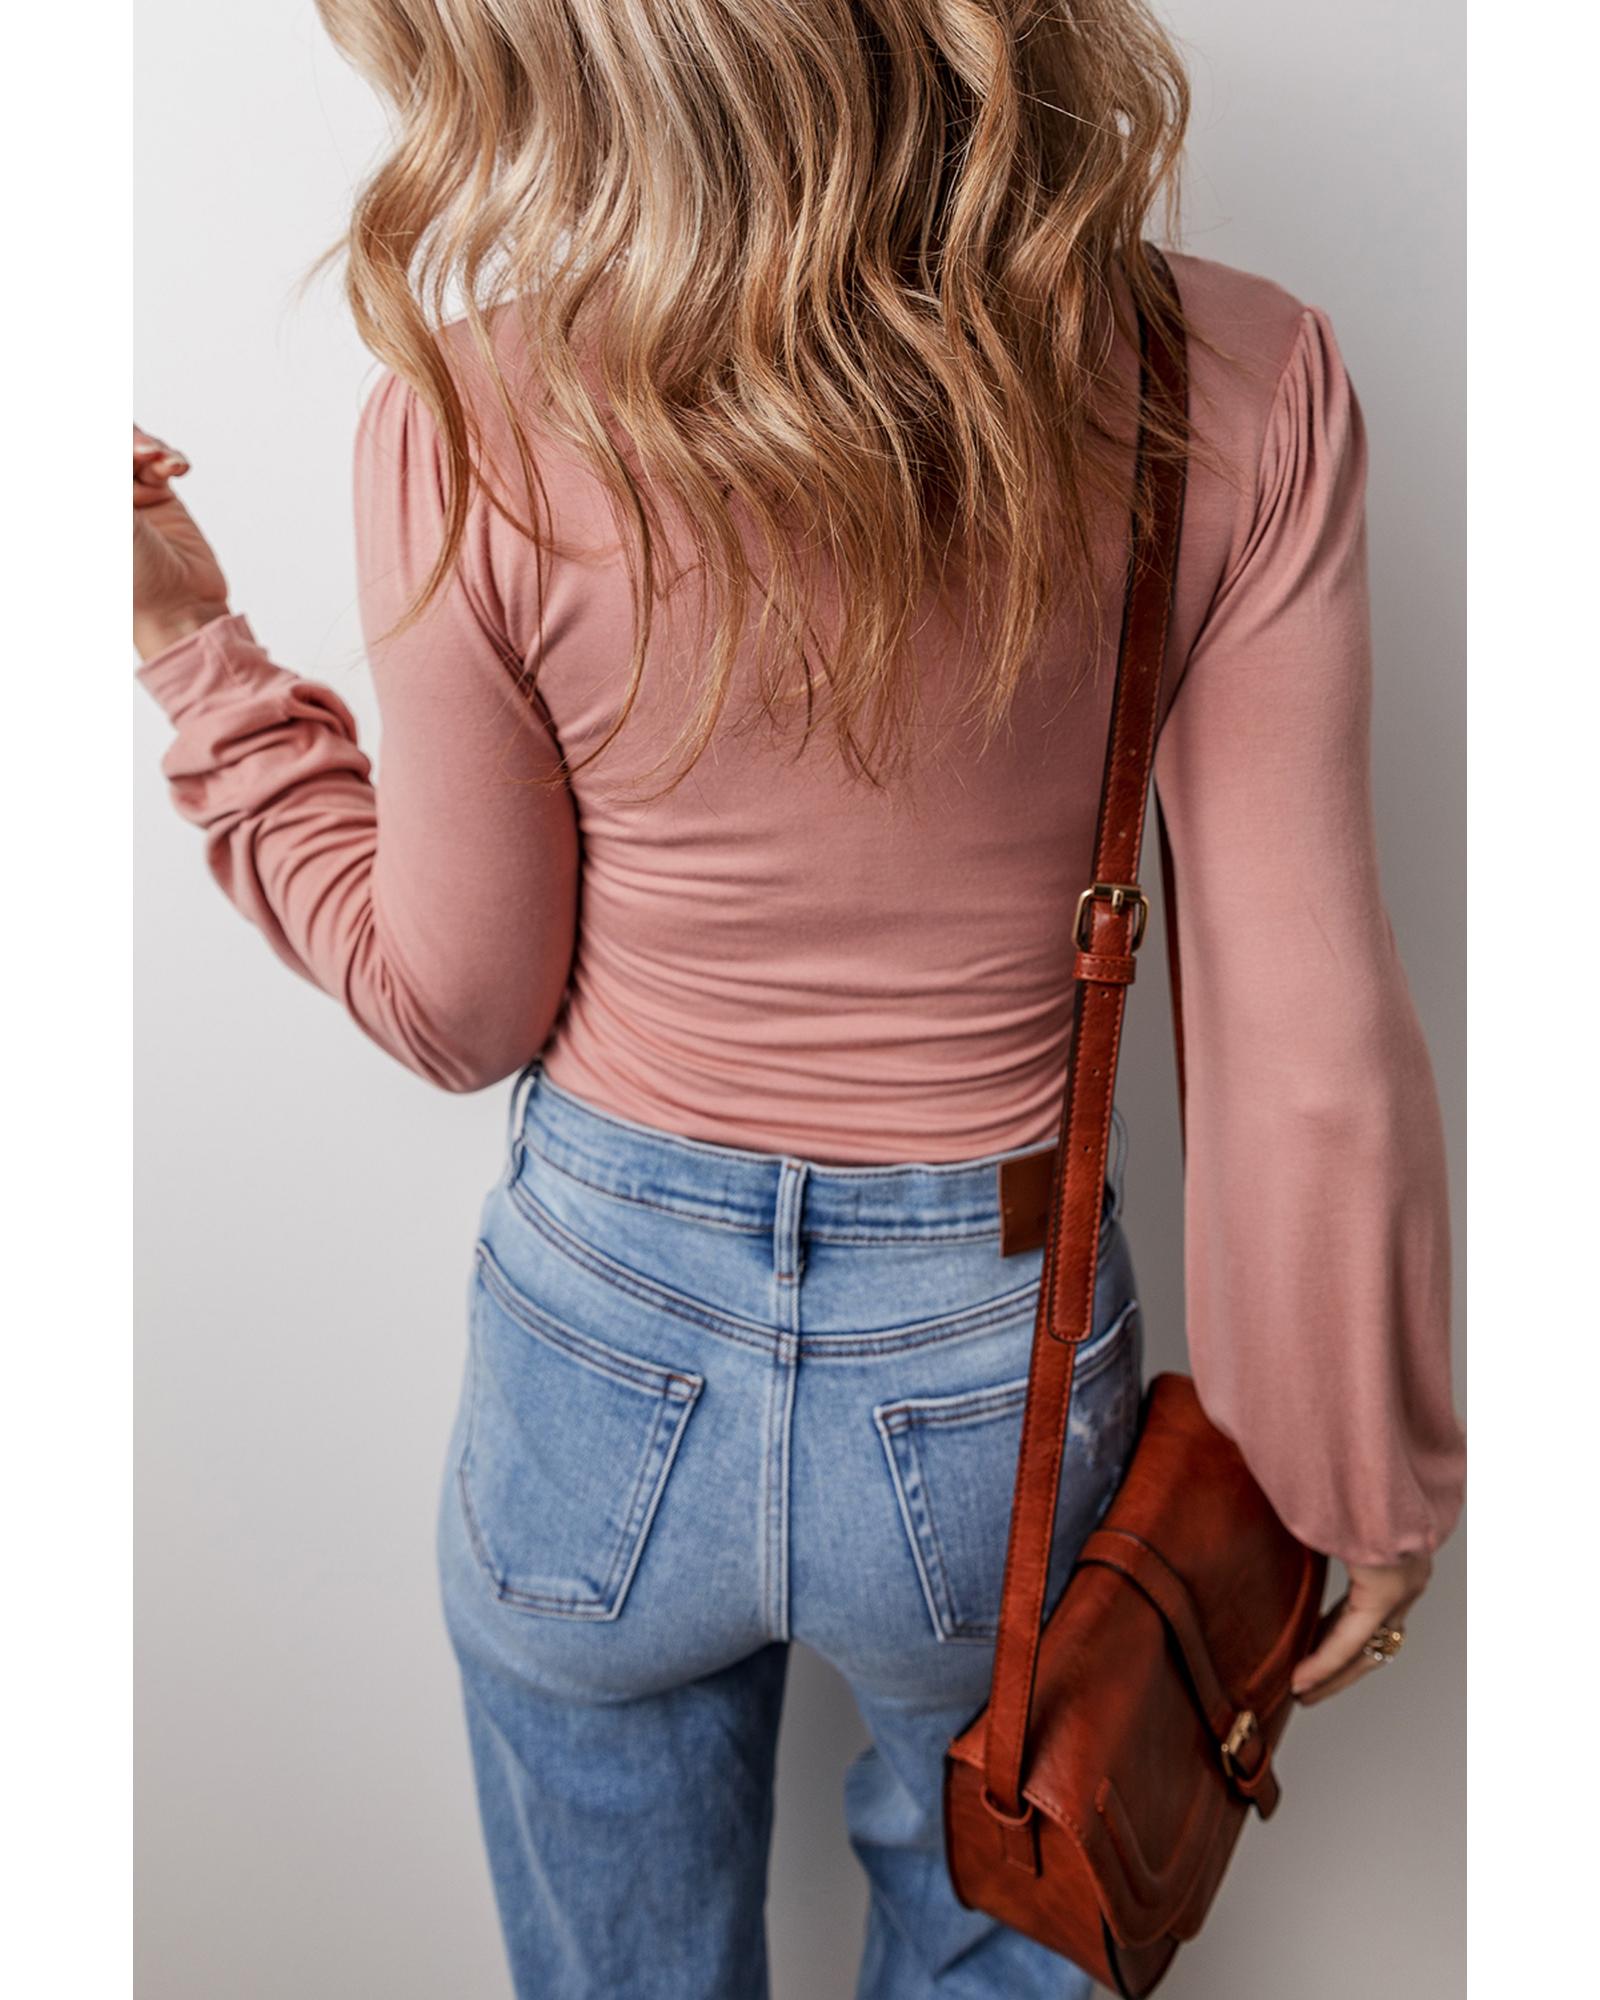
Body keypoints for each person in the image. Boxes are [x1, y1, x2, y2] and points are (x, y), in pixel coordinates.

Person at [133, 3, 1466, 1994]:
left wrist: (194, 652)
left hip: (595, 1350)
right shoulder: (1235, 379)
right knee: (1005, 1924)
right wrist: (1353, 1466)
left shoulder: (470, 414)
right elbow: (1305, 1036)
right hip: (990, 1375)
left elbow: (455, 1007)